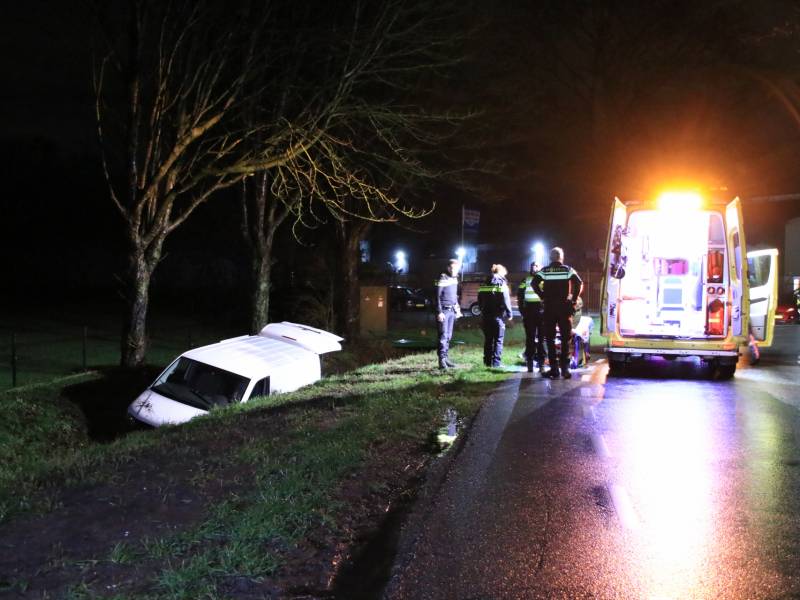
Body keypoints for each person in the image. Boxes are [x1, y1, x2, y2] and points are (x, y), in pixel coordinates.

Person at [533, 247, 583, 379]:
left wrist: (542, 296)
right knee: (566, 338)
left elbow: (534, 283)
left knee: (550, 339)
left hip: (549, 308)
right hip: (564, 308)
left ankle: (554, 369)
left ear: (550, 258)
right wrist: (573, 300)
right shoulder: (567, 269)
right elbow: (578, 283)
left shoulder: (545, 271)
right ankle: (565, 370)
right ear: (561, 257)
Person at [478, 264, 513, 368]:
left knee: (488, 340)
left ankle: (487, 363)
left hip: (485, 316)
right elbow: (506, 300)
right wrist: (509, 314)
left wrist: (482, 310)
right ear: (501, 272)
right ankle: (496, 364)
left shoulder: (484, 283)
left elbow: (479, 300)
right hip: (497, 316)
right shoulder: (502, 283)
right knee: (498, 339)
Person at [517, 261, 545, 373]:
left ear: (541, 268)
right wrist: (522, 310)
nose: (534, 267)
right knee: (530, 338)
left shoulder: (544, 279)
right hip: (529, 311)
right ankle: (530, 362)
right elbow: (520, 295)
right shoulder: (526, 279)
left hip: (541, 311)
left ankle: (541, 363)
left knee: (541, 339)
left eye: (537, 265)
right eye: (533, 265)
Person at [434, 258, 462, 369]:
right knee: (443, 336)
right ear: (448, 268)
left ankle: (446, 358)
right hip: (444, 311)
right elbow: (437, 297)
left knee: (449, 336)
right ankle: (441, 361)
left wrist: (457, 308)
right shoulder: (442, 277)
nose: (454, 270)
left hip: (452, 311)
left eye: (456, 268)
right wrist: (439, 312)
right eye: (452, 268)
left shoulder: (455, 278)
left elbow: (454, 295)